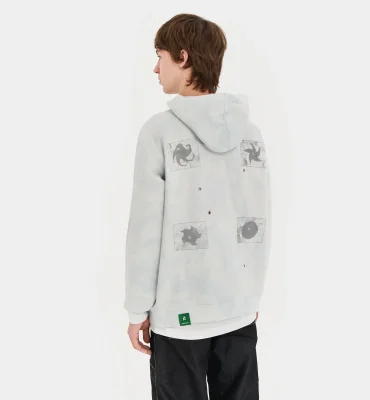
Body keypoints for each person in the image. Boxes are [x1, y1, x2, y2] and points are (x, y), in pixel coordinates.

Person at [124, 13, 271, 400]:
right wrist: (250, 294)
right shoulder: (250, 133)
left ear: (183, 57)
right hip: (238, 309)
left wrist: (137, 309)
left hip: (179, 318)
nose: (156, 68)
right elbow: (258, 220)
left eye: (161, 56)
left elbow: (145, 230)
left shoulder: (159, 132)